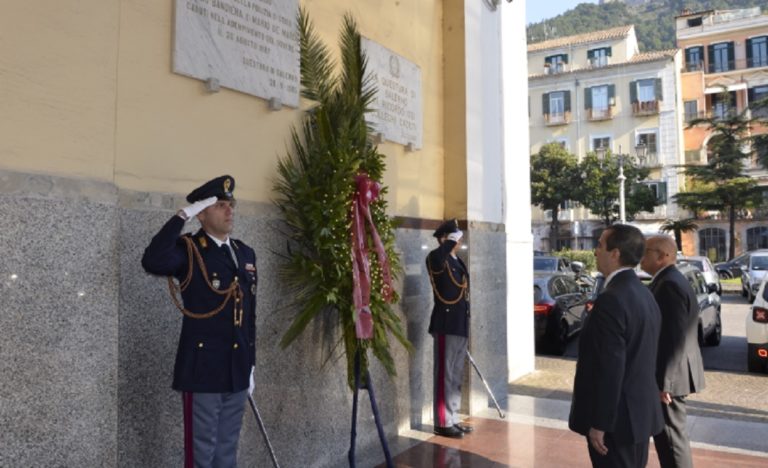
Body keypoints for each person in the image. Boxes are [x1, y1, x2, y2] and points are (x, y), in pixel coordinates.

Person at [141, 175, 258, 468]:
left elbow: (249, 313)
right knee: (201, 455)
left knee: (227, 452)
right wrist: (182, 216)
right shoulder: (189, 250)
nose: (229, 210)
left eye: (230, 204)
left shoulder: (245, 252)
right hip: (203, 371)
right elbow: (153, 261)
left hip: (237, 369)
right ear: (202, 213)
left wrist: (251, 363)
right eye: (220, 205)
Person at [569, 224, 663, 467]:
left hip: (616, 422)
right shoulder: (644, 293)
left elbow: (610, 368)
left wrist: (600, 423)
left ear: (615, 253)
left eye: (600, 245)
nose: (594, 251)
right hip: (637, 416)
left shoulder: (612, 299)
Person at [640, 235, 705, 468]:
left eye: (646, 251)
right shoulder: (668, 280)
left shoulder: (669, 284)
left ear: (663, 256)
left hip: (671, 377)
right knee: (668, 437)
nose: (641, 255)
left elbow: (673, 338)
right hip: (671, 374)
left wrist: (663, 383)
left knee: (671, 439)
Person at [426, 219, 473, 438]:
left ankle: (452, 418)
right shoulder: (437, 258)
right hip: (445, 323)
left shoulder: (457, 260)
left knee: (455, 375)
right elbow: (436, 259)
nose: (459, 239)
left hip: (459, 323)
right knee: (444, 374)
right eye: (455, 236)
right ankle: (442, 422)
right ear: (445, 238)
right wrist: (446, 243)